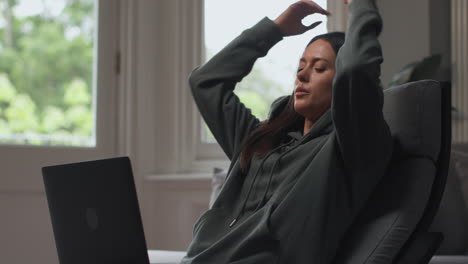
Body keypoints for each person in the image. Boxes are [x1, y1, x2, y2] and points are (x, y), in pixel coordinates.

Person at [182, 0, 393, 263]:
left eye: (319, 68)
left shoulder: (350, 149)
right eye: (300, 67)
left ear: (340, 84)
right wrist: (275, 30)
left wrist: (361, 5)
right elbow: (205, 82)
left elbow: (356, 71)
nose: (302, 76)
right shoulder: (259, 139)